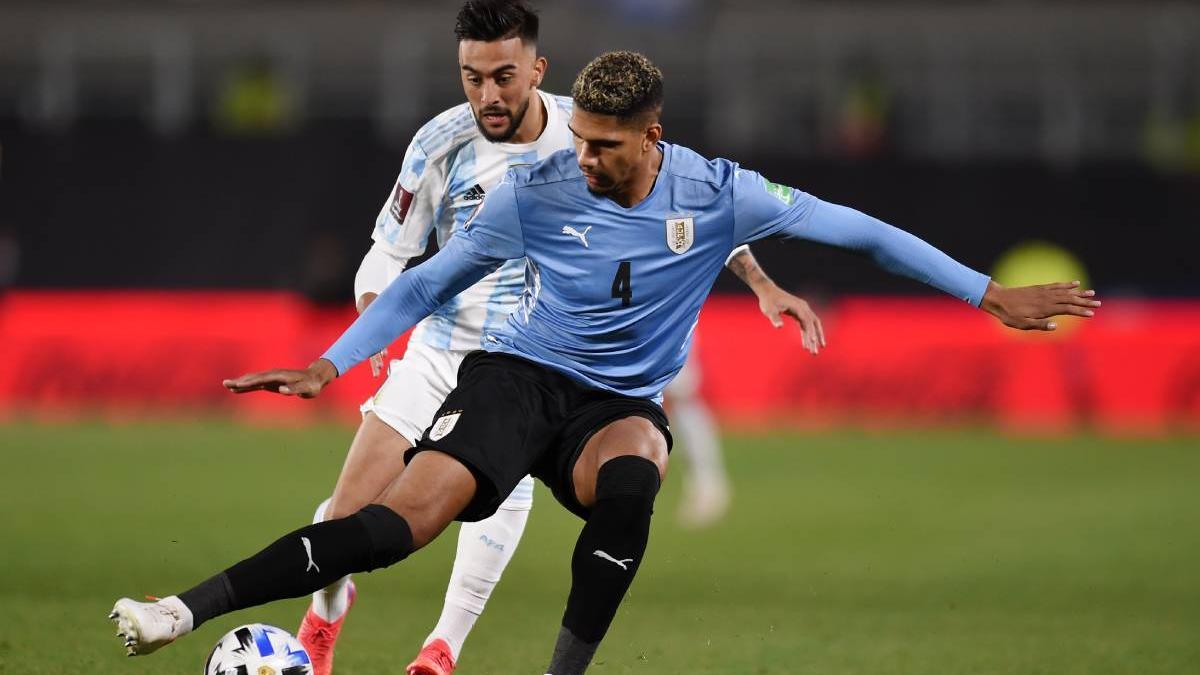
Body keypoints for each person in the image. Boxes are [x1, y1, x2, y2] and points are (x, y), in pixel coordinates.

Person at [110, 51, 1099, 675]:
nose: (583, 160)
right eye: (580, 140)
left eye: (607, 147)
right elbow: (422, 286)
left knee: (632, 487)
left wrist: (986, 292)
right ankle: (182, 611)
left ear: (653, 137)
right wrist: (332, 363)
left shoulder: (720, 193)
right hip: (517, 378)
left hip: (617, 401)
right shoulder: (537, 191)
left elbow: (862, 231)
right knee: (390, 529)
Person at [276, 4, 822, 675]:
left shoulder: (585, 130)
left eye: (502, 75)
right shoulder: (438, 143)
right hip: (440, 349)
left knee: (497, 502)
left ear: (535, 69)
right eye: (472, 77)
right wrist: (374, 325)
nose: (488, 94)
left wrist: (758, 278)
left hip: (530, 355)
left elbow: (692, 201)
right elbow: (386, 256)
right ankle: (323, 623)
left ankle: (441, 649)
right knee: (350, 514)